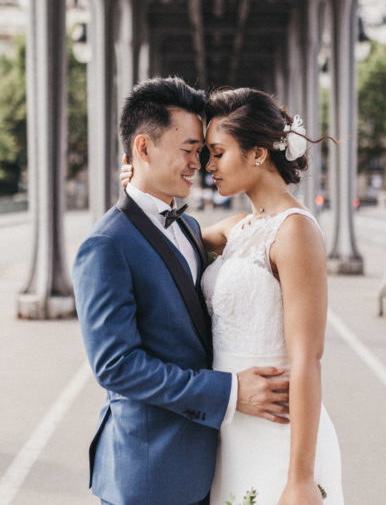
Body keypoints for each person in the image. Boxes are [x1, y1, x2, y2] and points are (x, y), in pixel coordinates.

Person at [72, 77, 291, 505]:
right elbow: (116, 366)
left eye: (204, 152)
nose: (199, 164)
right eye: (188, 150)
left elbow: (253, 234)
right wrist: (228, 391)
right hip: (149, 471)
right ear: (143, 148)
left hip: (210, 461)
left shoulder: (189, 228)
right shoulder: (105, 245)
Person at [121, 87, 345, 504]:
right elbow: (165, 240)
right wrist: (140, 184)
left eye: (217, 153)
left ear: (258, 153)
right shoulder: (238, 228)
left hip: (278, 433)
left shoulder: (294, 231)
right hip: (229, 430)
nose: (207, 166)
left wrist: (300, 477)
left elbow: (307, 359)